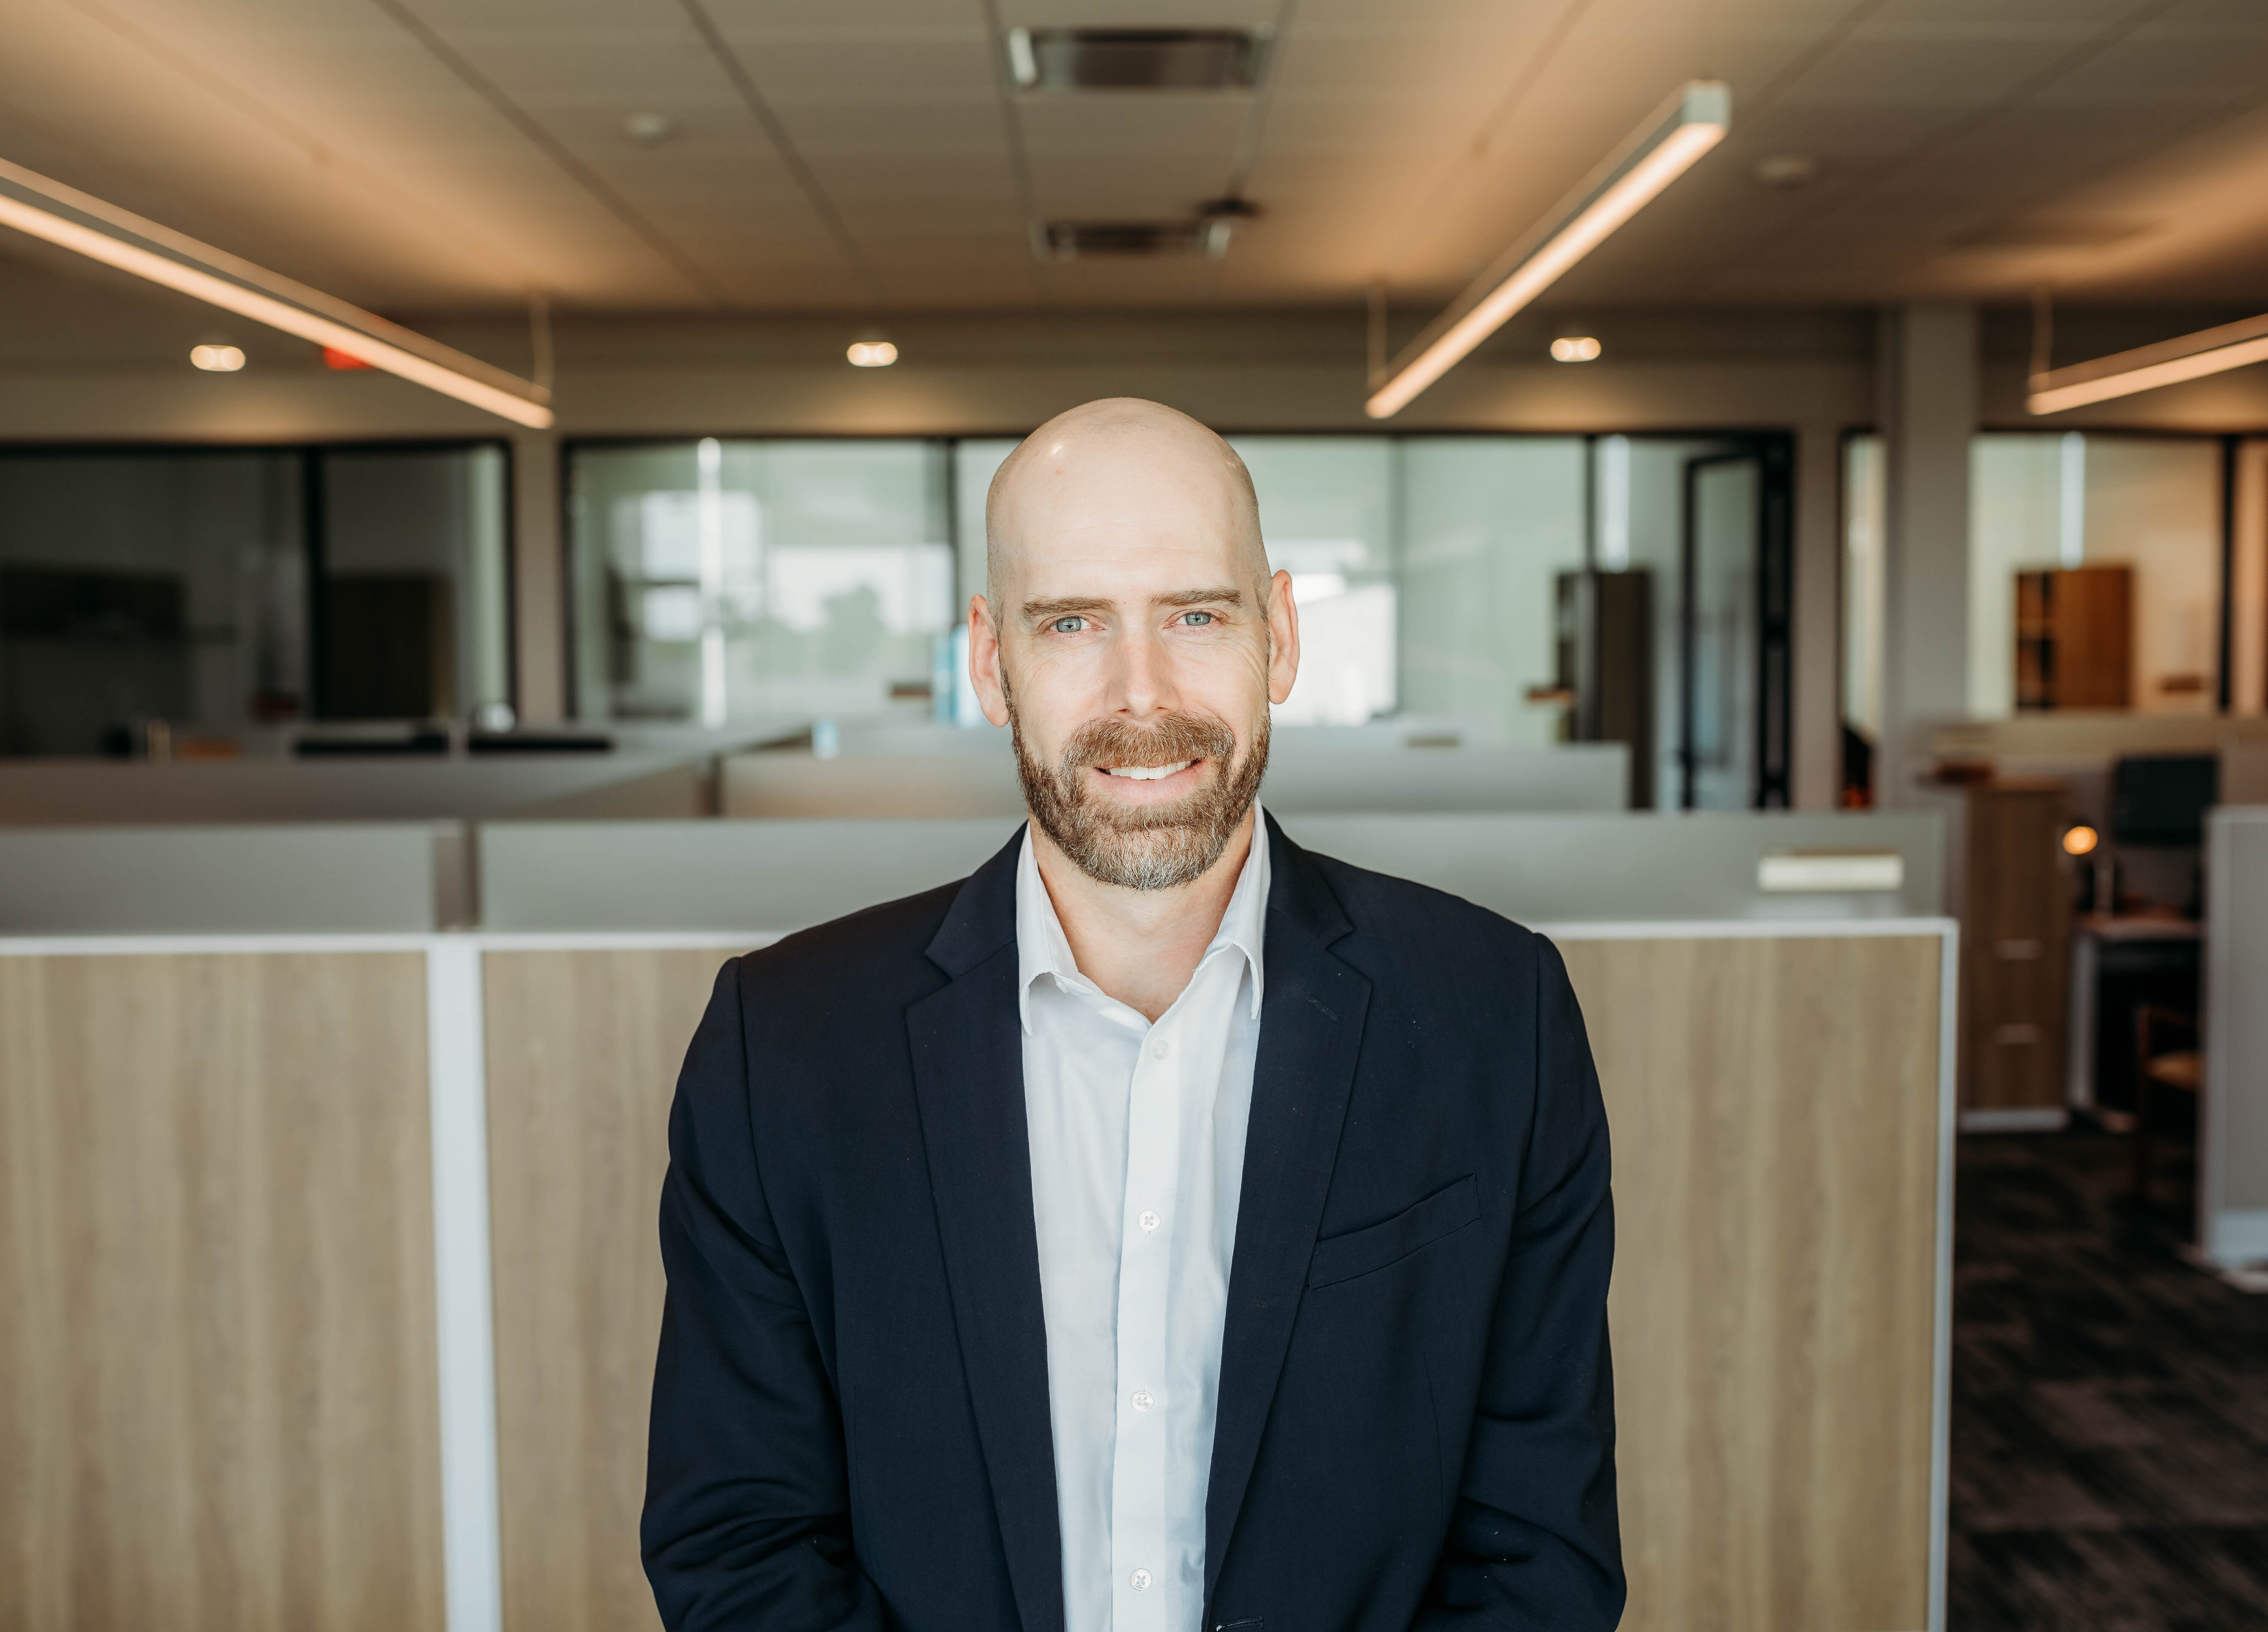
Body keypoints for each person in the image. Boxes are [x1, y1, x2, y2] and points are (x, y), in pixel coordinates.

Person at [641, 398, 1622, 1632]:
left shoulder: (1493, 1017)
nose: (1142, 695)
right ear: (991, 664)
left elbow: (1538, 1553)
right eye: (1072, 623)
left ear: (1280, 641)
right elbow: (737, 1547)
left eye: (1196, 616)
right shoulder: (781, 1049)